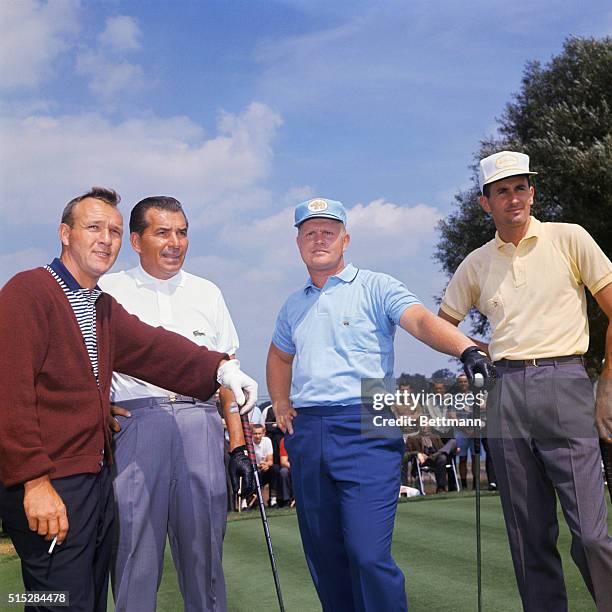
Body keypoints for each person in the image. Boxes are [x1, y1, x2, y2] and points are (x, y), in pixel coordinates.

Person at [0, 188, 257, 612]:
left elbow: (156, 349)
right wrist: (34, 481)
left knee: (86, 600)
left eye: (114, 231)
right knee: (56, 601)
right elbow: (9, 394)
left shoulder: (100, 306)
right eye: (94, 227)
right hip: (52, 483)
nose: (106, 239)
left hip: (93, 480)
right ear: (65, 234)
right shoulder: (28, 292)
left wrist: (221, 368)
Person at [266, 197, 496, 611]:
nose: (319, 239)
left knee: (368, 553)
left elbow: (422, 321)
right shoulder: (292, 304)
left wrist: (466, 349)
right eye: (310, 233)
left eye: (328, 232)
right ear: (298, 242)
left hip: (366, 419)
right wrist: (280, 401)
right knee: (325, 556)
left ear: (345, 239)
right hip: (309, 429)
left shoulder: (377, 286)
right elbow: (280, 356)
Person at [438, 151, 612, 612]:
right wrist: (476, 351)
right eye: (501, 190)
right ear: (485, 203)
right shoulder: (476, 263)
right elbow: (443, 325)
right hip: (505, 390)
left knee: (592, 535)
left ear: (532, 193)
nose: (512, 197)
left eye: (520, 187)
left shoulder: (569, 238)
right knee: (527, 535)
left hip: (567, 381)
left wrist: (608, 385)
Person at [99, 196, 254, 612]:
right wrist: (98, 407)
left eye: (182, 232)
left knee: (204, 555)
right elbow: (84, 364)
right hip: (136, 427)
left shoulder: (208, 292)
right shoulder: (108, 290)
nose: (176, 242)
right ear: (136, 240)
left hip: (199, 425)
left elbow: (226, 376)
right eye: (163, 232)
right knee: (134, 554)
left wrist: (237, 445)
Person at [404, 426, 458, 493]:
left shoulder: (435, 437)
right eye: (422, 424)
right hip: (424, 461)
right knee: (442, 457)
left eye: (425, 424)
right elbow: (407, 453)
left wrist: (455, 450)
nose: (424, 427)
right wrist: (417, 453)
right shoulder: (412, 438)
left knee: (452, 443)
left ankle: (440, 488)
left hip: (437, 459)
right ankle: (441, 488)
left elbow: (442, 448)